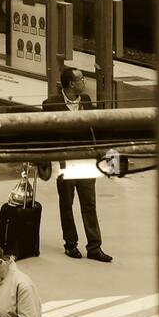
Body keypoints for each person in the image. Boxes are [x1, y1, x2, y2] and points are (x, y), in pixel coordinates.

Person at [42, 67, 111, 262]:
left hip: (86, 160)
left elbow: (93, 129)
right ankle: (70, 244)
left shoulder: (86, 101)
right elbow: (46, 134)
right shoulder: (50, 105)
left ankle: (94, 247)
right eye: (81, 79)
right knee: (67, 203)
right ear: (71, 84)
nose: (84, 82)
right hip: (65, 162)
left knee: (89, 203)